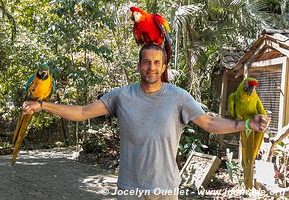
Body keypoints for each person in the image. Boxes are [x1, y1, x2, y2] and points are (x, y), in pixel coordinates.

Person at [22, 44, 270, 200]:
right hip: (129, 188)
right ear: (140, 65)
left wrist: (246, 125)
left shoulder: (178, 97)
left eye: (156, 62)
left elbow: (210, 124)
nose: (151, 67)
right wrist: (43, 105)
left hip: (164, 189)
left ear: (163, 67)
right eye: (146, 62)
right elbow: (83, 112)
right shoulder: (121, 96)